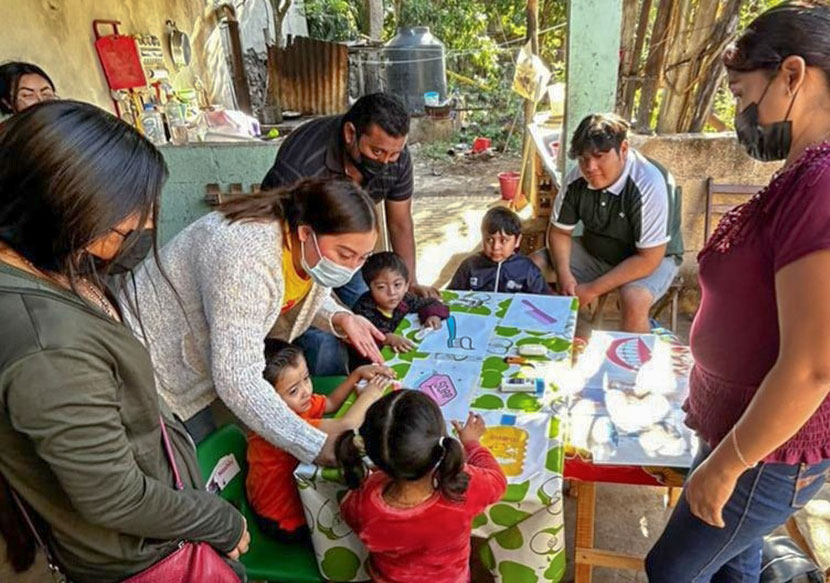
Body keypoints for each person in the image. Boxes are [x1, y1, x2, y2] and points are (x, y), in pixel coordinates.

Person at [0, 100, 248, 582]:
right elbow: (115, 496)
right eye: (129, 213)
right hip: (139, 557)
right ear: (63, 203)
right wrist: (217, 518)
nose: (147, 225)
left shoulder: (40, 266)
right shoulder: (49, 345)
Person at [646, 3, 830, 580]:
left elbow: (815, 365)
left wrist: (729, 464)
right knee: (732, 565)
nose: (738, 111)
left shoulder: (822, 184)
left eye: (740, 90)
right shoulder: (803, 175)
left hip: (768, 451)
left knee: (672, 570)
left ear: (792, 76)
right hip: (744, 431)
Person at [120, 178, 385, 465]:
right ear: (305, 233)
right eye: (345, 255)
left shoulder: (305, 244)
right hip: (154, 362)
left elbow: (298, 288)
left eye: (363, 258)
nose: (352, 267)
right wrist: (314, 444)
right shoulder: (245, 257)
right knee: (198, 464)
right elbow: (237, 378)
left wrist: (340, 316)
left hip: (206, 358)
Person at [261, 93, 439, 375]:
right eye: (377, 152)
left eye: (394, 154)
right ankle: (328, 403)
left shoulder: (395, 157)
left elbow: (400, 222)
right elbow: (276, 236)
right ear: (350, 134)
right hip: (299, 257)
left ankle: (364, 379)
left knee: (370, 309)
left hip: (343, 251)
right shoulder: (303, 161)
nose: (387, 162)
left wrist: (410, 280)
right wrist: (322, 305)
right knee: (323, 339)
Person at [532, 113, 683, 332]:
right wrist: (564, 275)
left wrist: (592, 289)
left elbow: (649, 259)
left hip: (651, 258)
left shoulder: (649, 182)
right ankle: (543, 343)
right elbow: (559, 233)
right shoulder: (577, 179)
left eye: (600, 156)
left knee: (634, 298)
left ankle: (633, 364)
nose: (590, 167)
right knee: (532, 266)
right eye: (583, 158)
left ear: (623, 149)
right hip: (597, 252)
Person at [336, 392, 507, 582]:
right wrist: (472, 443)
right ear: (441, 442)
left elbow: (348, 509)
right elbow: (498, 481)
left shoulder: (361, 498)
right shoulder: (461, 486)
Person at [246, 339, 392, 543]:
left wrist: (357, 374)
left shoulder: (295, 405)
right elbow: (346, 426)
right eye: (293, 391)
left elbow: (331, 403)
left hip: (280, 503)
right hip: (283, 521)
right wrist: (370, 395)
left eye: (306, 378)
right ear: (269, 401)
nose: (306, 390)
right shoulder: (281, 423)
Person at [352, 251, 450, 355]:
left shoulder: (405, 299)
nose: (392, 292)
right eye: (381, 287)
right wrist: (387, 338)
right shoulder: (363, 308)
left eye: (397, 284)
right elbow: (361, 333)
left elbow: (430, 303)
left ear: (406, 285)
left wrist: (433, 316)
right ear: (369, 287)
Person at [449, 206, 551, 294]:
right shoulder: (470, 266)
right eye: (489, 239)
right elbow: (452, 296)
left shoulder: (528, 269)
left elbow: (542, 300)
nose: (495, 247)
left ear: (517, 241)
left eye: (503, 240)